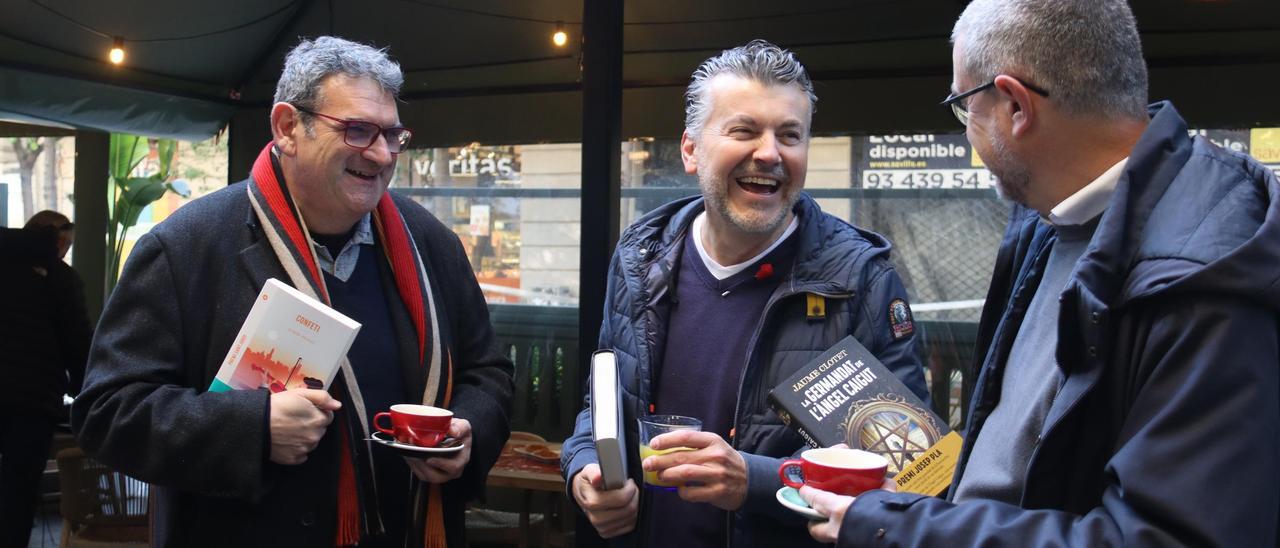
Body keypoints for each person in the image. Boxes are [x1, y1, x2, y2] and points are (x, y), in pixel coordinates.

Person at [800, 1, 1280, 546]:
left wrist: (900, 528)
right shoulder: (1052, 218)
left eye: (964, 107)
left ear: (1015, 106)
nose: (967, 132)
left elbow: (1163, 536)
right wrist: (918, 503)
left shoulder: (1203, 279)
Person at [72, 37, 514, 548]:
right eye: (357, 131)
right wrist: (253, 428)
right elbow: (108, 411)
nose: (381, 154)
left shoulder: (429, 244)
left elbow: (488, 372)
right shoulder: (187, 248)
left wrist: (468, 432)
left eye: (393, 135)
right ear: (287, 129)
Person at [561, 40, 928, 548]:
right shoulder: (639, 260)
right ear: (691, 149)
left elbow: (910, 474)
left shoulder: (860, 281)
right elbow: (599, 407)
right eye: (744, 130)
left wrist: (753, 482)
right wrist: (584, 470)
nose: (771, 153)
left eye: (790, 135)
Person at [0, 210, 91, 547]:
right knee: (19, 491)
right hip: (32, 402)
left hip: (26, 396)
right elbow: (78, 344)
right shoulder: (60, 276)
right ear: (57, 239)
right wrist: (84, 394)